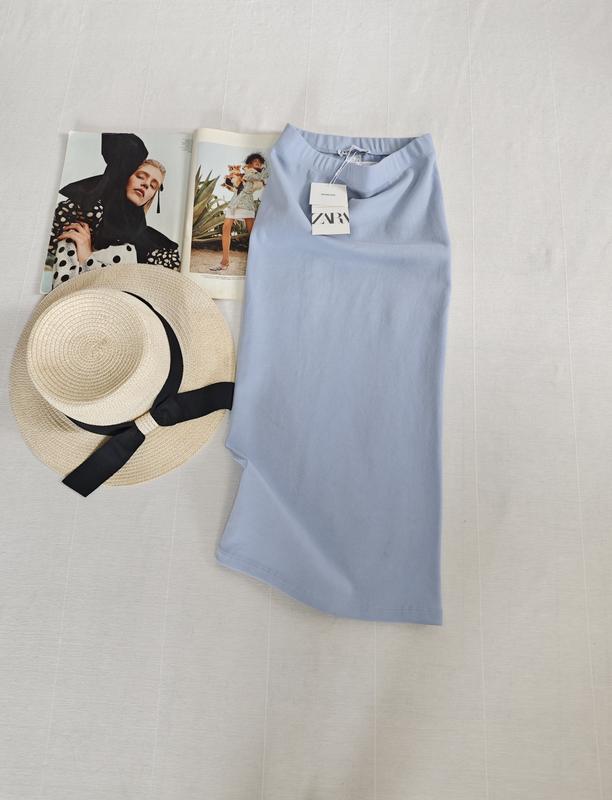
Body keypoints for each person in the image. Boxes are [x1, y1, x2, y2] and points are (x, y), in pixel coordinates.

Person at [47, 133, 180, 289]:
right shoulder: (86, 211)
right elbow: (64, 285)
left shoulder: (153, 243)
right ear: (125, 176)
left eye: (153, 186)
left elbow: (139, 291)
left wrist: (88, 258)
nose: (146, 185)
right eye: (140, 177)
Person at [210, 152, 269, 272]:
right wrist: (229, 180)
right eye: (255, 162)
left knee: (252, 233)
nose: (258, 163)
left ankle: (260, 261)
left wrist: (260, 169)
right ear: (250, 163)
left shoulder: (252, 174)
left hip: (246, 205)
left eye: (259, 162)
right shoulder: (245, 174)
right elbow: (236, 186)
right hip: (234, 203)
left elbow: (259, 177)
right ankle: (224, 262)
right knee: (226, 228)